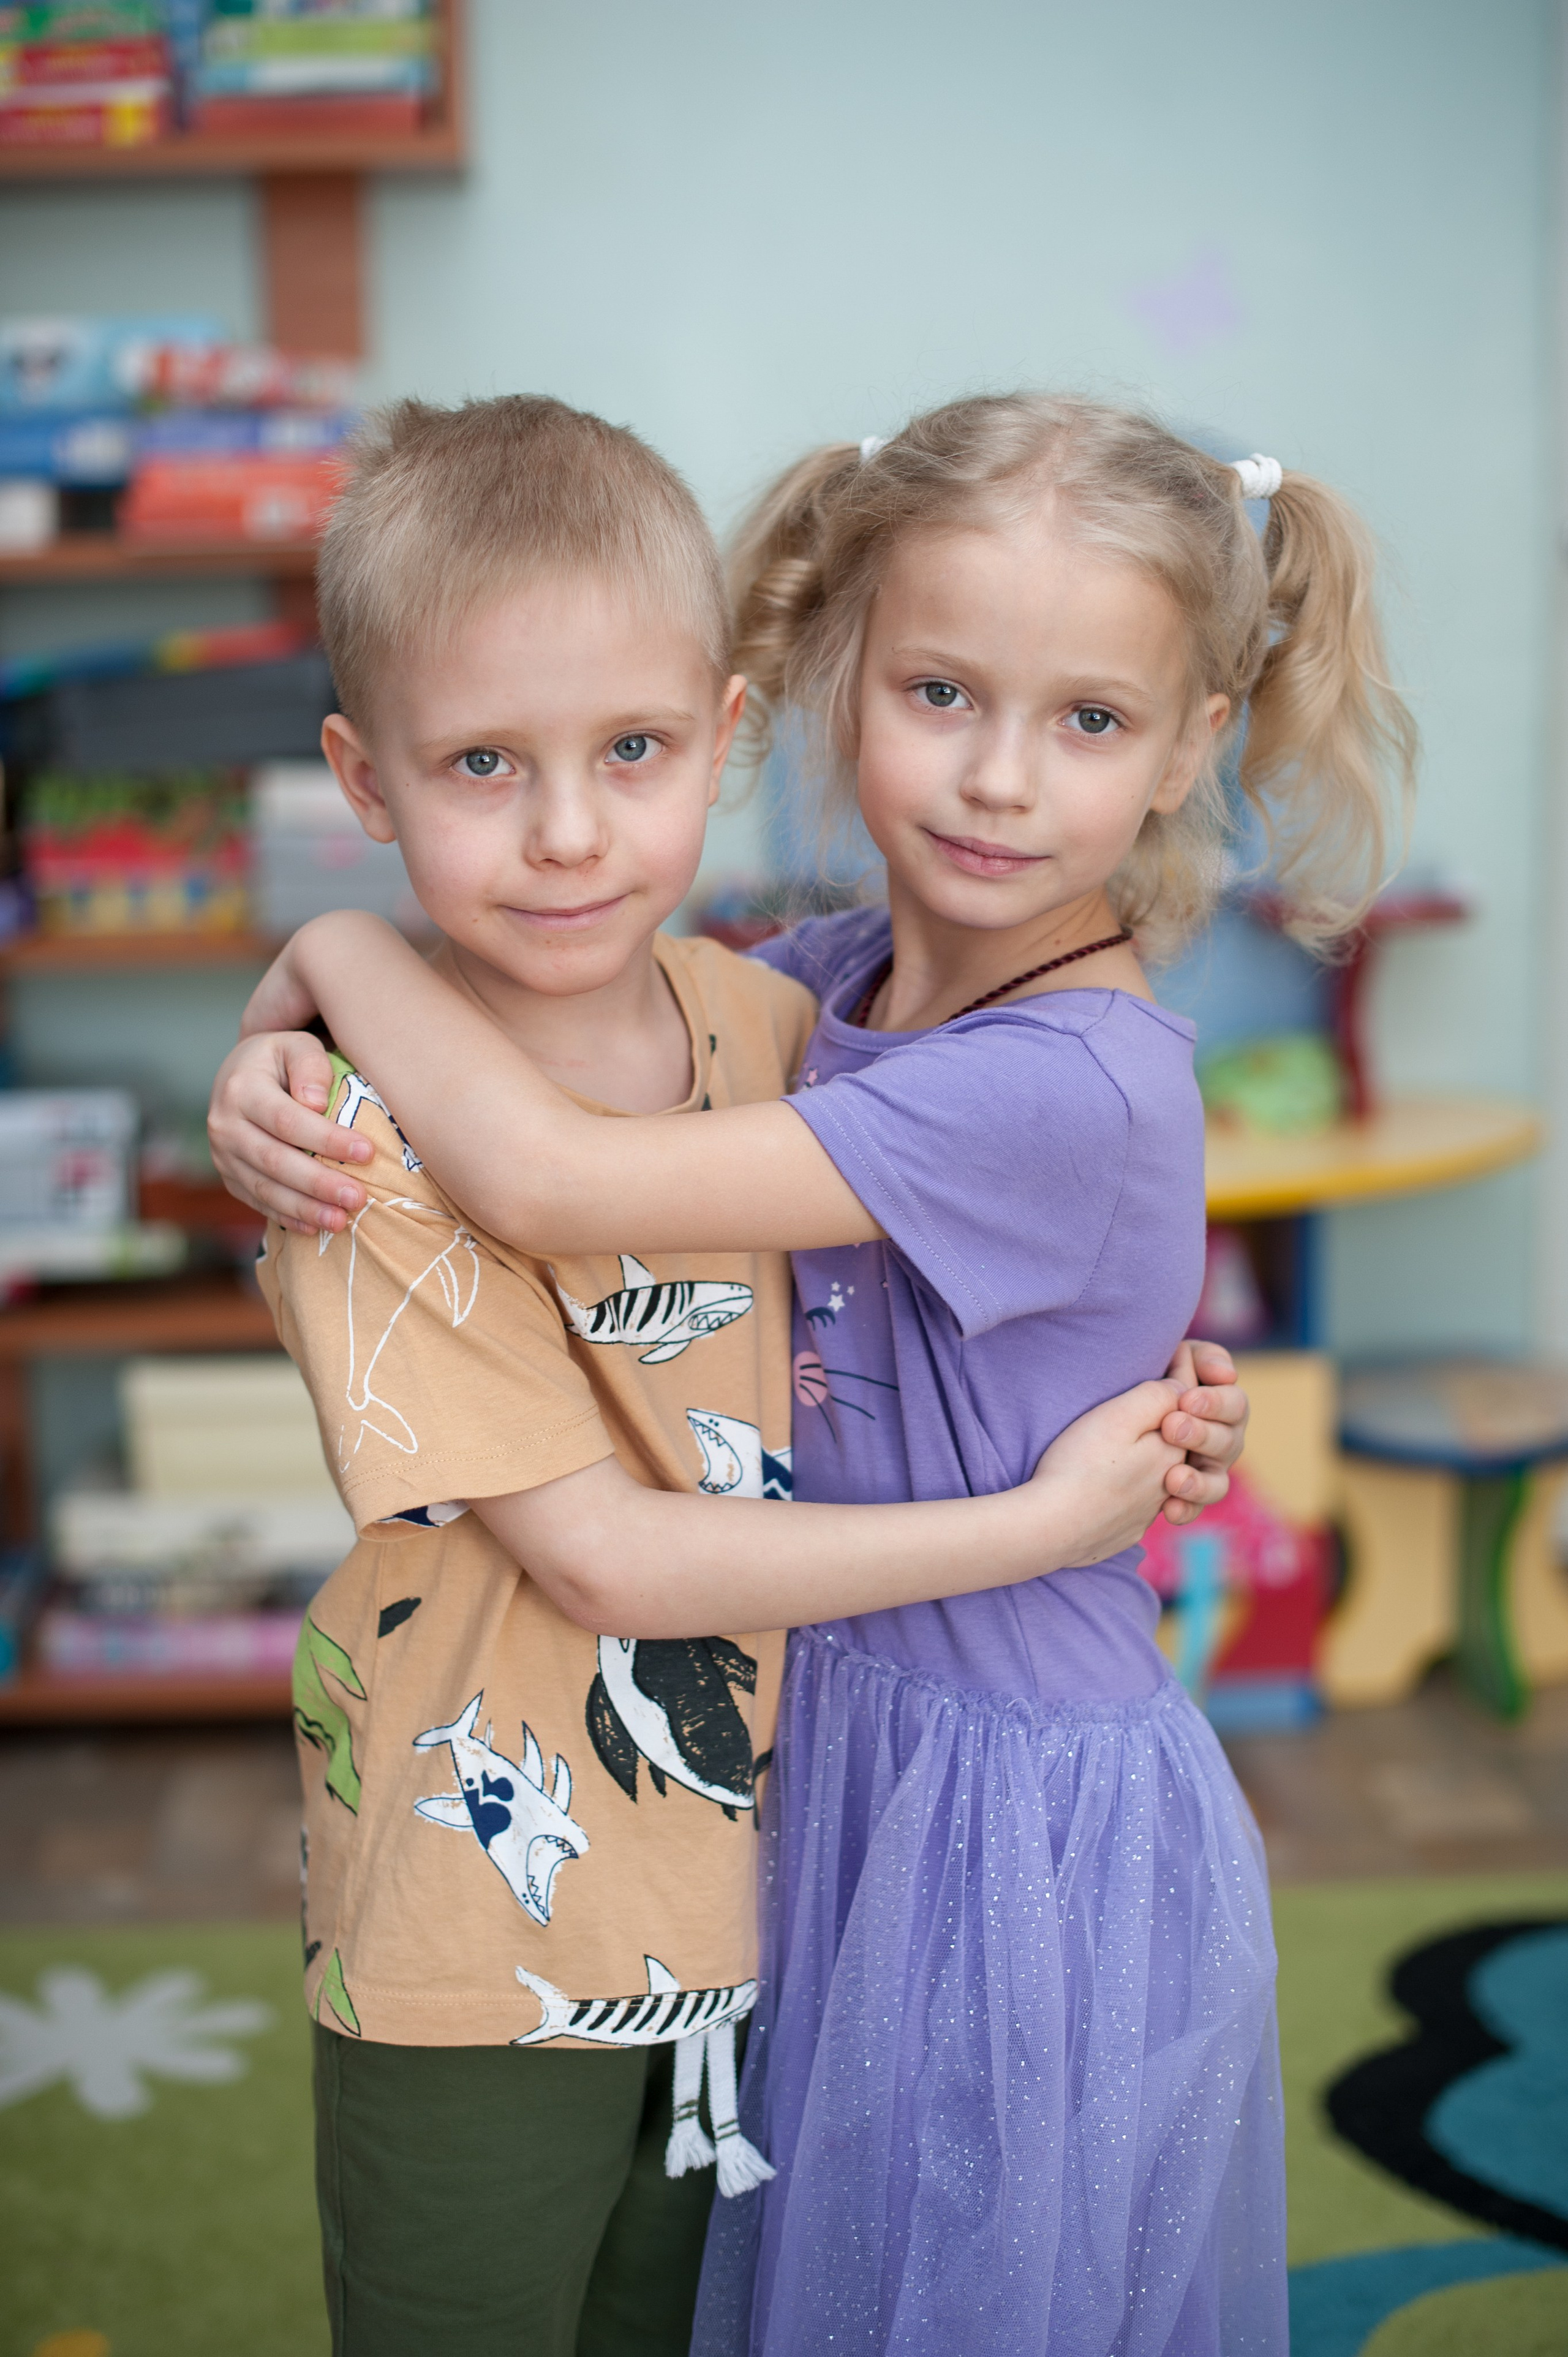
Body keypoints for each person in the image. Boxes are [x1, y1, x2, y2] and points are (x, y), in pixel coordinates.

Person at [215, 391, 1250, 2357]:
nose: (571, 829)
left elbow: (594, 1183)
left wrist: (326, 958)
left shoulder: (771, 1016)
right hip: (518, 1909)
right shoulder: (798, 997)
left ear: (725, 730)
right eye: (945, 692)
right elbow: (613, 1522)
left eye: (631, 751)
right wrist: (312, 997)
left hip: (842, 1831)